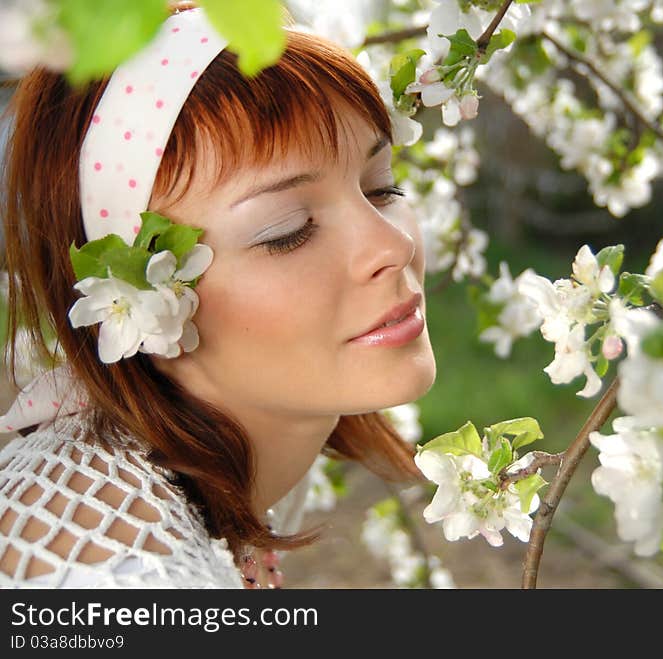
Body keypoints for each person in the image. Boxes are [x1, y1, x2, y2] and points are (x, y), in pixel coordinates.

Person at [0, 4, 436, 588]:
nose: (394, 244)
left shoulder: (229, 466)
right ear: (143, 300)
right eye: (288, 229)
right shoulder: (120, 571)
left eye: (381, 188)